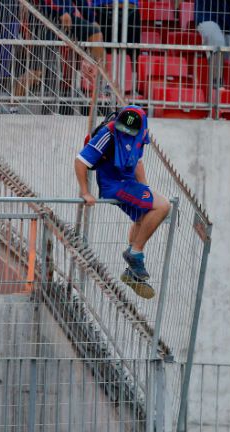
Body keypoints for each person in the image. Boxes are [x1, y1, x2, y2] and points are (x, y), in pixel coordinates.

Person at [74, 105, 170, 299]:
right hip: (114, 185)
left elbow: (138, 161)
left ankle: (132, 273)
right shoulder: (107, 133)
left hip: (128, 182)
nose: (125, 133)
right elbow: (80, 160)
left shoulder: (141, 133)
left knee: (144, 216)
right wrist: (85, 192)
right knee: (163, 206)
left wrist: (145, 188)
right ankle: (135, 254)